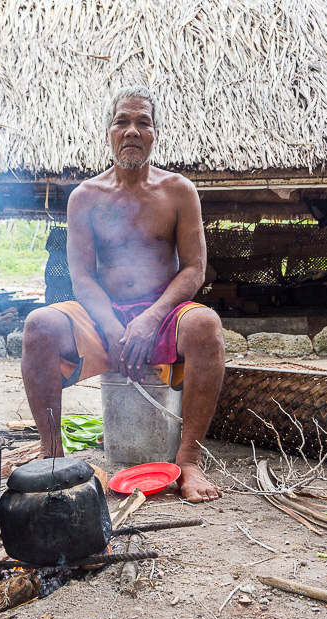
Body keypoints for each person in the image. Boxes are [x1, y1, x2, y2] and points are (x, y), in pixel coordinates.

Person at [21, 85, 225, 502]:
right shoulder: (86, 197)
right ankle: (52, 453)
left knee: (206, 324)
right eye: (122, 121)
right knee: (39, 325)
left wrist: (152, 317)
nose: (132, 130)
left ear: (154, 133)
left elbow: (194, 268)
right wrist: (112, 325)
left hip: (165, 313)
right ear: (109, 132)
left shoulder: (178, 191)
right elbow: (81, 276)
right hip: (102, 315)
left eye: (142, 122)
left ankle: (188, 460)